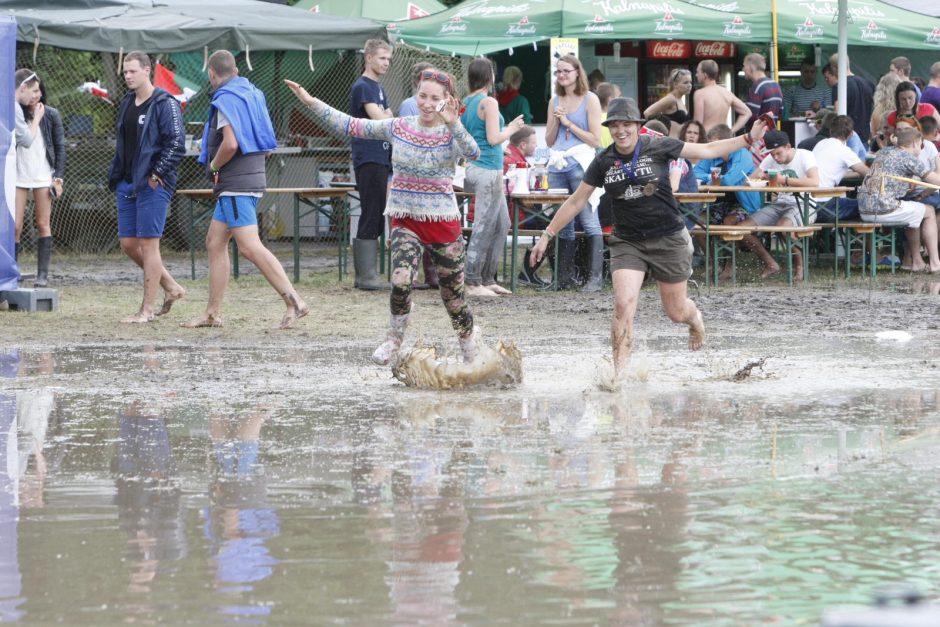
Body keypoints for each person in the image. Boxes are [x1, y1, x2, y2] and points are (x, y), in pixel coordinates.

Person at [530, 97, 769, 378]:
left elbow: (707, 149)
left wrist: (747, 138)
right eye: (615, 126)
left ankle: (695, 319)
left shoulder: (658, 147)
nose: (621, 131)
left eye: (627, 125)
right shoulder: (604, 160)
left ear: (637, 126)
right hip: (628, 242)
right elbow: (576, 201)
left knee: (676, 312)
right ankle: (618, 377)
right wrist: (547, 235)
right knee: (622, 304)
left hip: (668, 238)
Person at [284, 69, 482, 365]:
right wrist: (311, 101)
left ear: (447, 100)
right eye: (423, 96)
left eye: (435, 98)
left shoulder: (451, 132)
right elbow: (352, 125)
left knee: (453, 299)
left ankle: (469, 346)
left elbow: (474, 152)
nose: (427, 103)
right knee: (401, 281)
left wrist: (453, 123)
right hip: (405, 218)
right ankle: (393, 339)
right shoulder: (399, 126)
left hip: (443, 222)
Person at [180, 51, 308, 330]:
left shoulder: (226, 99)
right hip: (245, 179)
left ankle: (294, 301)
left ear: (212, 74)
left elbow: (231, 144)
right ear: (236, 69)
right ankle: (212, 314)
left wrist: (213, 168)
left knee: (250, 247)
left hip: (236, 183)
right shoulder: (252, 92)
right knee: (215, 242)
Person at [106, 50, 187, 324]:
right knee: (129, 244)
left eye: (132, 71)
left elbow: (176, 144)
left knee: (149, 245)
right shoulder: (127, 102)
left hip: (154, 183)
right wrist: (117, 176)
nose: (127, 76)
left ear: (147, 70)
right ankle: (172, 287)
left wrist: (156, 174)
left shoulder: (165, 103)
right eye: (125, 72)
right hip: (127, 182)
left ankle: (147, 310)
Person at [461, 58, 524, 297]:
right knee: (485, 224)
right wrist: (512, 129)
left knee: (501, 224)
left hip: (479, 166)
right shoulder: (489, 101)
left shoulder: (466, 102)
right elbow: (493, 138)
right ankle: (472, 280)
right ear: (491, 77)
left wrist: (502, 147)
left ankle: (487, 278)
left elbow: (474, 136)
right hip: (487, 169)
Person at [545, 54, 604, 292]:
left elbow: (595, 139)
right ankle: (563, 277)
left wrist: (569, 123)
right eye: (558, 72)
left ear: (577, 72)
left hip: (581, 162)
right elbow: (549, 140)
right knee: (561, 221)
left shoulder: (590, 99)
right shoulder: (554, 101)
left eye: (566, 71)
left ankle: (595, 278)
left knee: (589, 219)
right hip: (558, 163)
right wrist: (557, 122)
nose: (562, 75)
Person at [736, 129, 820, 281]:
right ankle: (770, 263)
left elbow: (814, 182)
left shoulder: (805, 155)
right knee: (740, 230)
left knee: (782, 227)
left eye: (778, 153)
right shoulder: (770, 159)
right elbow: (748, 181)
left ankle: (800, 266)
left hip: (804, 203)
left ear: (788, 146)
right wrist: (759, 177)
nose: (775, 157)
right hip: (779, 203)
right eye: (772, 154)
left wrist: (784, 181)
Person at [857, 126, 940, 272]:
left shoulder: (883, 151)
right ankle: (935, 263)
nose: (920, 149)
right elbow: (936, 181)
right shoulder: (909, 158)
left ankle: (916, 262)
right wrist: (938, 166)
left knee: (914, 211)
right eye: (920, 145)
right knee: (929, 211)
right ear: (915, 143)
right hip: (883, 208)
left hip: (864, 209)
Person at [349, 39, 394, 291]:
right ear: (368, 58)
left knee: (377, 213)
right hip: (369, 157)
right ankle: (366, 277)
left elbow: (388, 116)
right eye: (381, 58)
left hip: (382, 156)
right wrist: (384, 114)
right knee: (371, 211)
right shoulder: (363, 86)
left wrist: (386, 115)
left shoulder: (378, 87)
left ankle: (369, 274)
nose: (386, 63)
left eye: (388, 59)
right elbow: (381, 119)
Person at [13, 73, 63, 287]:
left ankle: (42, 275)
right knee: (15, 226)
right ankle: (11, 272)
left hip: (43, 176)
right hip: (17, 176)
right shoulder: (16, 111)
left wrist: (58, 178)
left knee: (43, 223)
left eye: (39, 91)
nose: (36, 95)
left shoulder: (51, 114)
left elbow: (60, 147)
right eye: (33, 91)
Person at [398, 61, 438, 290]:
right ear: (417, 82)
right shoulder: (408, 105)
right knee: (412, 225)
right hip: (413, 173)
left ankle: (432, 274)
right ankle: (410, 275)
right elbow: (407, 135)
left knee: (431, 222)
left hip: (433, 172)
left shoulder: (441, 106)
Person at [503, 126, 547, 287]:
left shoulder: (512, 156)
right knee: (553, 229)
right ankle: (528, 273)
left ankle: (529, 273)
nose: (536, 146)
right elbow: (523, 199)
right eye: (534, 142)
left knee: (551, 225)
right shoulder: (515, 162)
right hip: (514, 215)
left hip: (512, 213)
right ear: (523, 144)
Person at [812, 115, 869, 221]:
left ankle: (834, 236)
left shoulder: (820, 144)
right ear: (851, 134)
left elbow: (831, 172)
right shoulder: (844, 150)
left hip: (809, 205)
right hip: (825, 206)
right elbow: (868, 173)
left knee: (849, 202)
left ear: (830, 131)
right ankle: (855, 237)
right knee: (868, 206)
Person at [693, 59, 751, 134]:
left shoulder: (700, 94)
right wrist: (731, 131)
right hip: (723, 137)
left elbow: (697, 124)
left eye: (698, 72)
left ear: (705, 75)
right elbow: (747, 112)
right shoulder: (727, 93)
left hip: (707, 138)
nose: (696, 74)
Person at [829, 53, 875, 145]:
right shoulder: (869, 84)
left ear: (834, 68)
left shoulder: (839, 87)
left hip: (847, 137)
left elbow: (838, 115)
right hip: (865, 137)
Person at [884, 81, 940, 145]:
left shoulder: (928, 108)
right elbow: (890, 139)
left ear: (916, 95)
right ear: (898, 99)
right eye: (903, 99)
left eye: (910, 98)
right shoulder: (892, 117)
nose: (908, 102)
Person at [643, 68, 692, 137]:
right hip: (670, 141)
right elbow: (647, 113)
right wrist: (660, 128)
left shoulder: (680, 99)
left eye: (690, 82)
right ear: (675, 84)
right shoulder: (670, 99)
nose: (689, 85)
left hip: (680, 141)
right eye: (685, 83)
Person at [743, 52, 783, 125]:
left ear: (752, 67)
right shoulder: (776, 85)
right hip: (772, 132)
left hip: (758, 134)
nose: (743, 69)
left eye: (744, 66)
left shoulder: (758, 86)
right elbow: (781, 114)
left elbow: (750, 116)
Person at [870, 72, 902, 151]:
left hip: (880, 149)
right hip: (899, 149)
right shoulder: (902, 110)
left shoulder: (877, 110)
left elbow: (873, 134)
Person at [595, 82, 621, 147]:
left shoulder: (592, 119)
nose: (622, 99)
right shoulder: (615, 119)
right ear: (610, 99)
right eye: (619, 96)